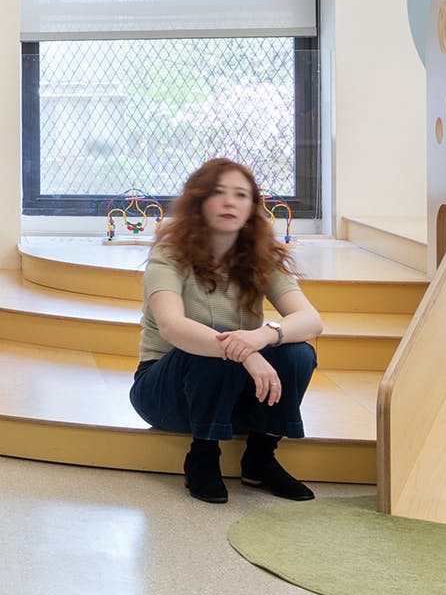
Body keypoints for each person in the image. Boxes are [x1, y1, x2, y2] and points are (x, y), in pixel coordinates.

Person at [128, 158, 325, 504]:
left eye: (240, 195)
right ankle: (203, 456)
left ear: (251, 207)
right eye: (218, 193)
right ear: (199, 201)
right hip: (168, 392)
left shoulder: (261, 257)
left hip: (232, 390)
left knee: (298, 352)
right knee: (213, 343)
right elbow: (172, 327)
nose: (230, 202)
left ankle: (260, 459)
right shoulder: (169, 253)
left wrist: (264, 336)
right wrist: (245, 352)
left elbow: (311, 320)